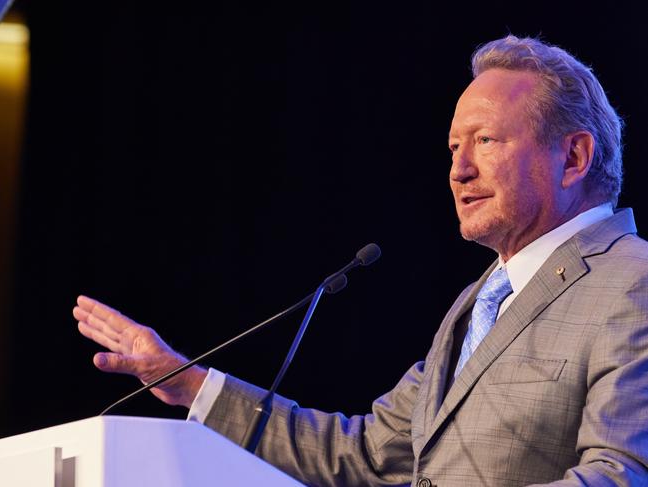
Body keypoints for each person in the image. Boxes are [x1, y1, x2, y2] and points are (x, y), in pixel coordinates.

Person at [74, 35, 648, 486]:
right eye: (453, 147)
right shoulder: (480, 301)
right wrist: (188, 383)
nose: (459, 170)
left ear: (573, 157)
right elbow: (368, 454)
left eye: (486, 141)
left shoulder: (633, 282)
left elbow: (622, 474)